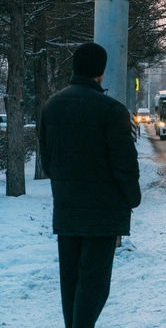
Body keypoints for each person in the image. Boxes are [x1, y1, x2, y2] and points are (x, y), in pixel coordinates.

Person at [39, 42, 141, 328]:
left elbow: (47, 163)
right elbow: (124, 165)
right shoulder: (112, 110)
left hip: (67, 211)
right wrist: (132, 198)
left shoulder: (52, 106)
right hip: (103, 213)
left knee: (70, 282)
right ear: (101, 72)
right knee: (95, 283)